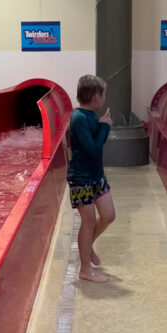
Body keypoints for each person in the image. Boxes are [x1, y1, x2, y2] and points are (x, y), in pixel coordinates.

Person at [67, 74, 115, 283]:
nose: (104, 98)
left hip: (95, 175)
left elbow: (93, 140)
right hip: (81, 178)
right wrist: (105, 126)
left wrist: (101, 123)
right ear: (97, 97)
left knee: (108, 215)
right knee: (87, 222)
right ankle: (85, 269)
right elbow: (93, 149)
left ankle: (87, 246)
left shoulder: (90, 115)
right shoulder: (78, 118)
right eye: (104, 95)